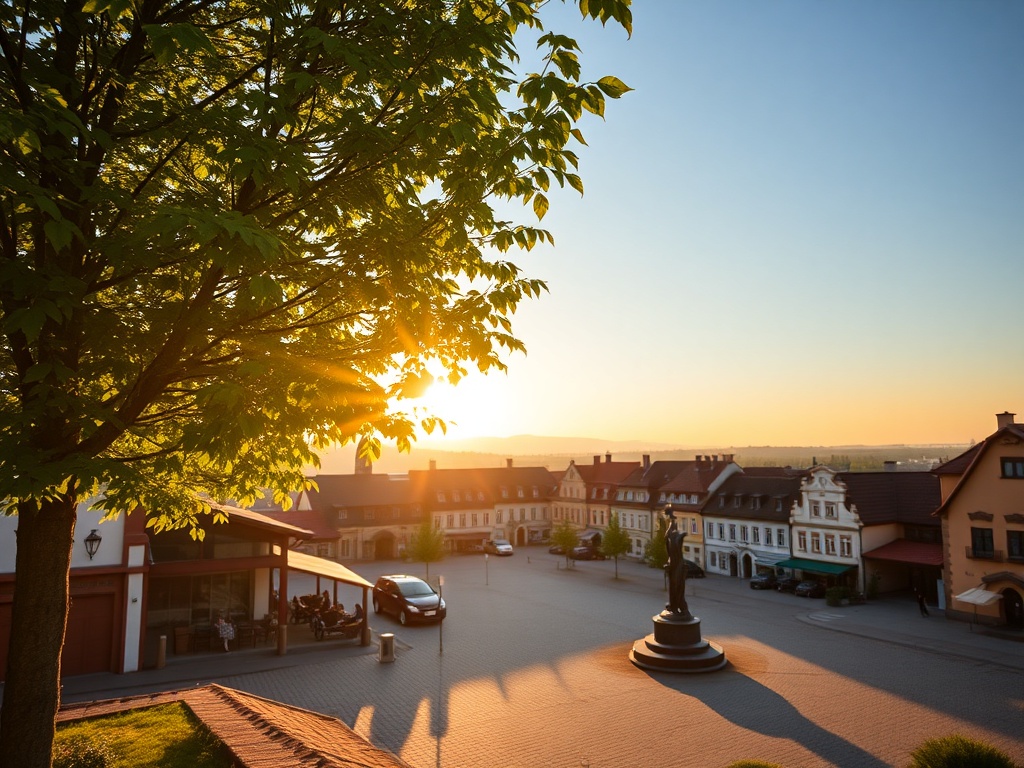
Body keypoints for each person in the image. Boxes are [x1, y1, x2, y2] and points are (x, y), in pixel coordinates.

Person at [663, 508, 691, 619]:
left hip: (677, 565)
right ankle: (674, 606)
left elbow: (675, 535)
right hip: (673, 564)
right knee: (673, 587)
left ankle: (682, 608)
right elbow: (666, 536)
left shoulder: (677, 539)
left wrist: (672, 520)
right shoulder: (670, 540)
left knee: (677, 587)